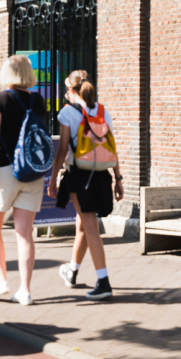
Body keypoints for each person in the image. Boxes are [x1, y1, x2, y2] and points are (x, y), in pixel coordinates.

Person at [0, 55, 47, 306]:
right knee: (25, 233)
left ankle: (1, 280)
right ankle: (25, 291)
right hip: (32, 170)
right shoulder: (38, 100)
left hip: (4, 171)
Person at [49, 70, 123, 300]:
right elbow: (110, 145)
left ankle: (103, 282)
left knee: (90, 226)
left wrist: (52, 179)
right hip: (101, 174)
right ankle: (72, 271)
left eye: (66, 89)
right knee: (82, 224)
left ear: (72, 91)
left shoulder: (67, 112)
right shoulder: (102, 110)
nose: (64, 94)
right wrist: (118, 178)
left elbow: (62, 150)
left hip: (80, 175)